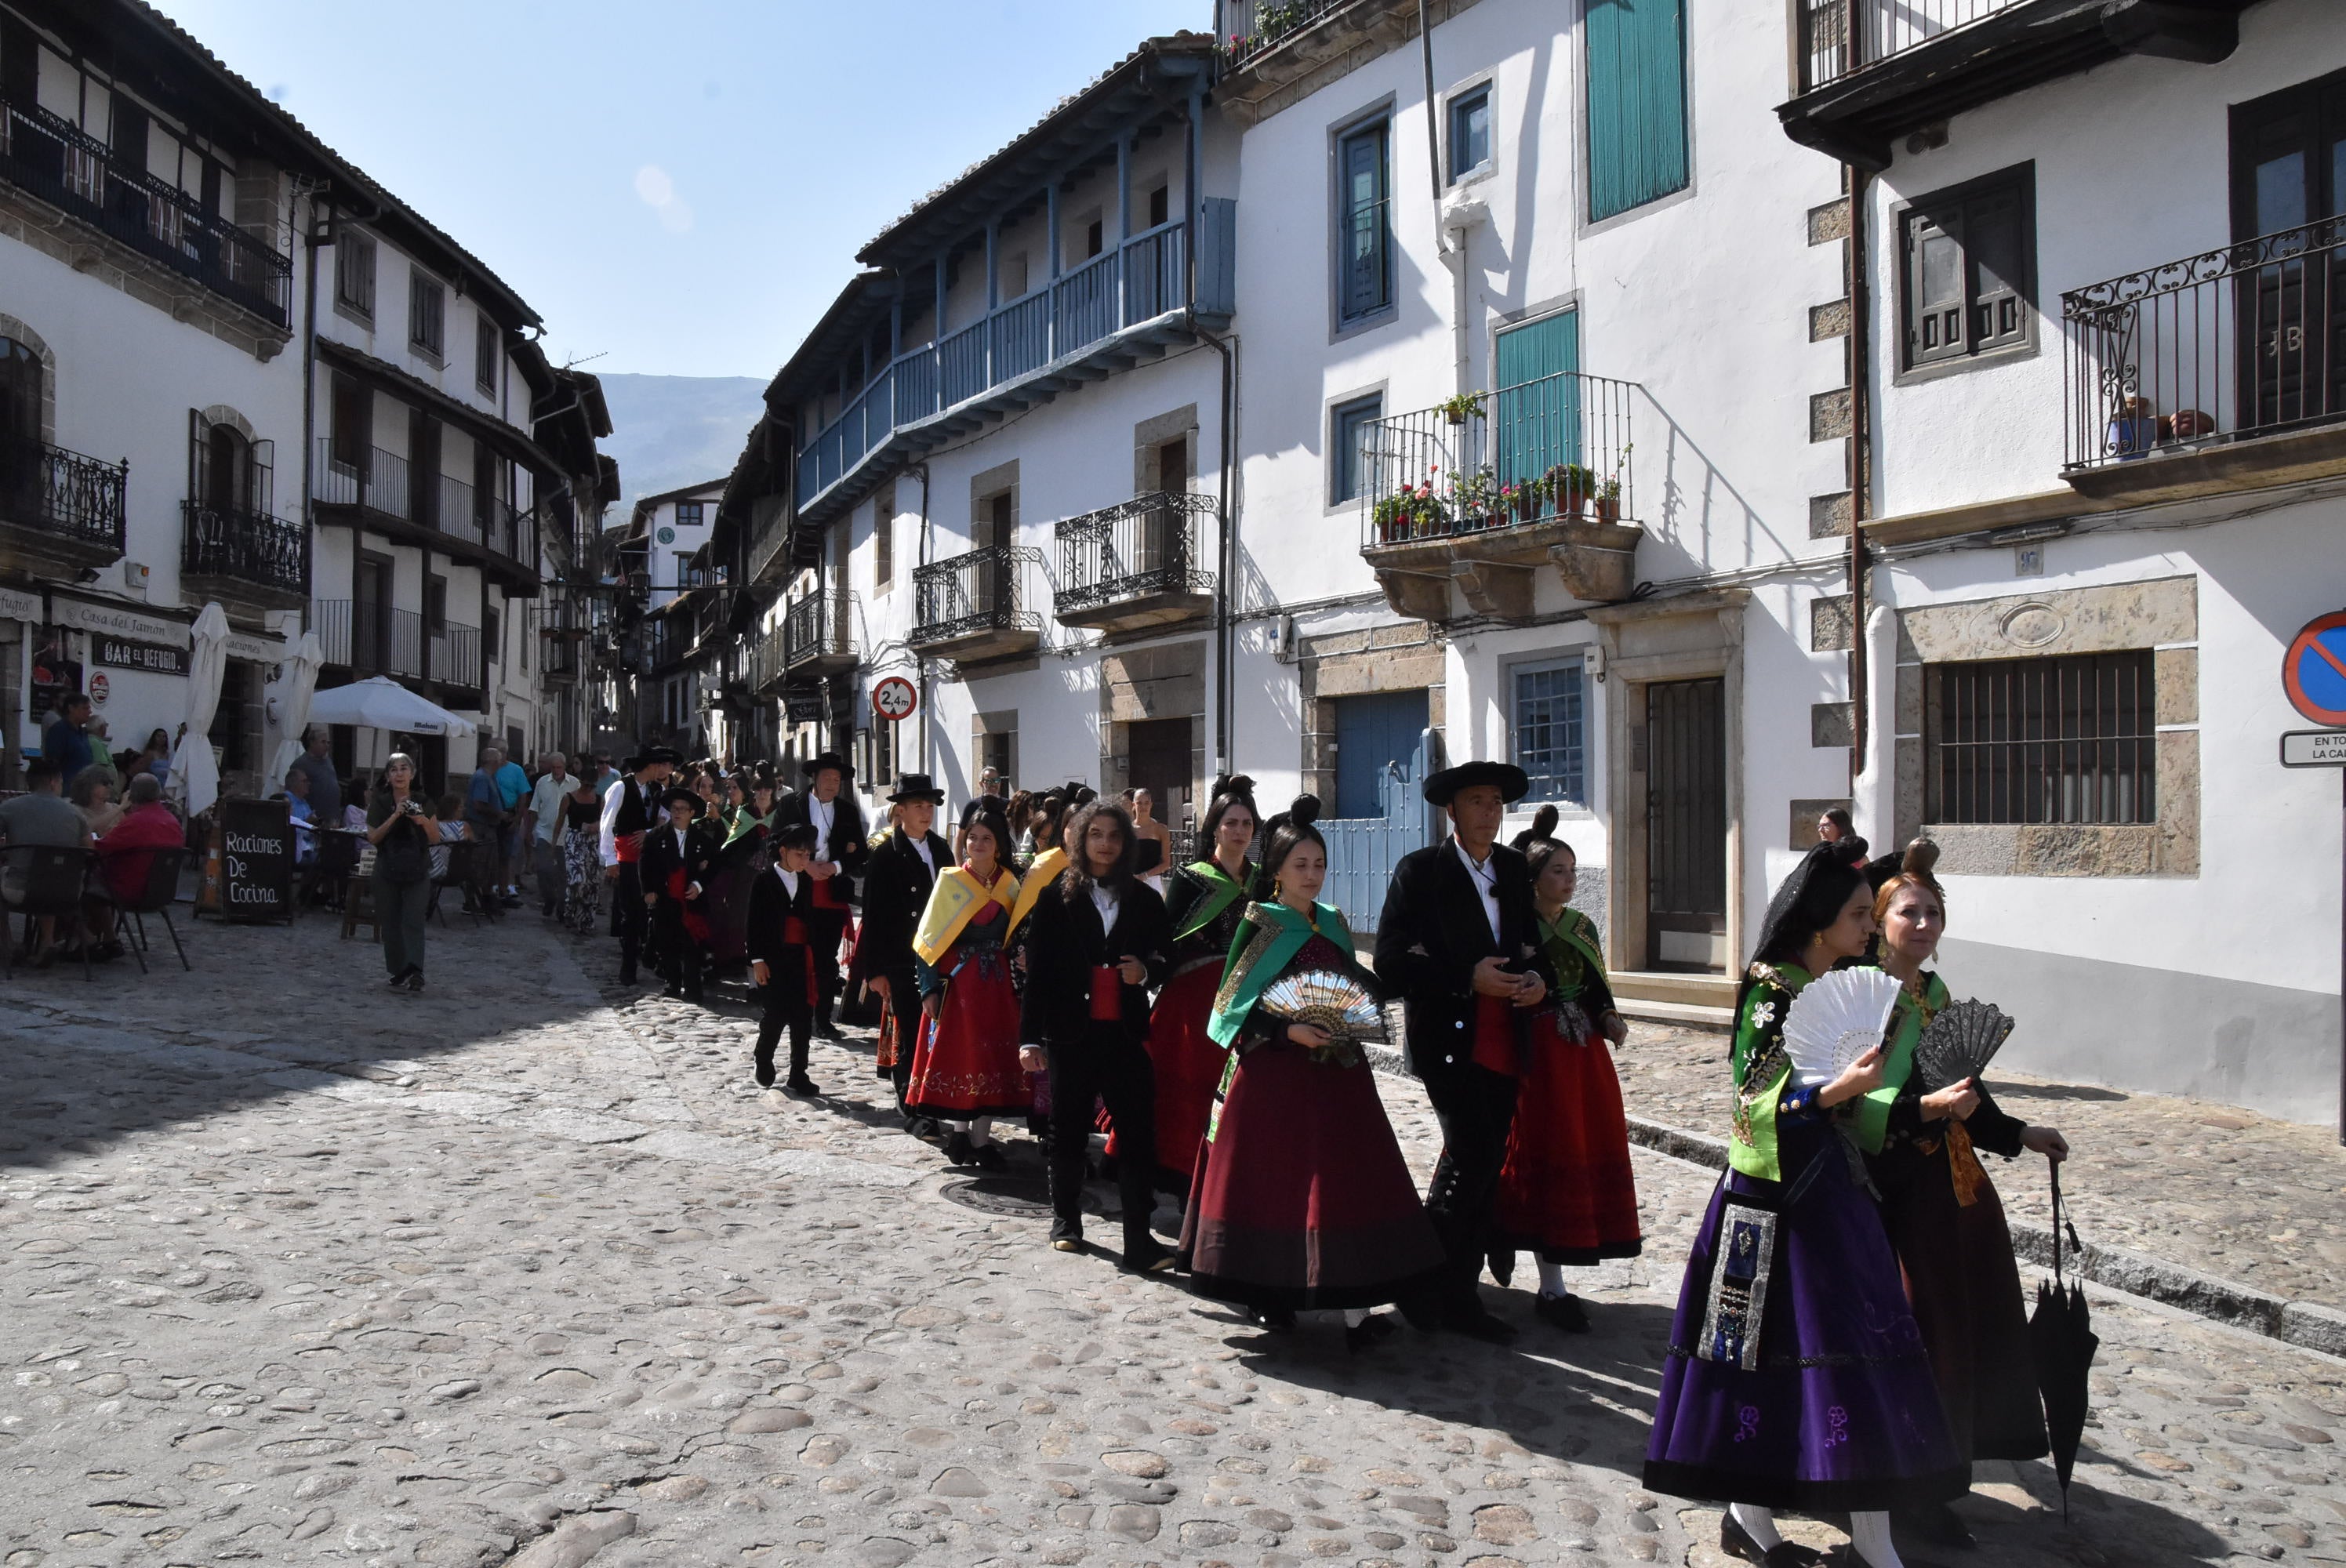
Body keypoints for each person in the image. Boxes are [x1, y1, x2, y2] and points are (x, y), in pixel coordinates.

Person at [1643, 840, 1964, 1568]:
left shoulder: (1839, 980)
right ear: (1820, 921)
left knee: (1856, 1354)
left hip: (1833, 1192)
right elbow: (1751, 1101)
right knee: (1756, 1357)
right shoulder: (1772, 991)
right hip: (1769, 1201)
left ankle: (1871, 1544)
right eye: (1858, 913)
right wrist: (1833, 1093)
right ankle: (1750, 1516)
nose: (1867, 925)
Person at [1861, 840, 2068, 1554]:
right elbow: (1862, 1105)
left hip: (1956, 1190)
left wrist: (2018, 1131)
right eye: (1907, 913)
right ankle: (1896, 1486)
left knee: (1961, 1335)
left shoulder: (1938, 996)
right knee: (1915, 1336)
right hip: (1890, 1191)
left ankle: (1939, 1482)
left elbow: (1965, 1096)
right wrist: (1922, 1109)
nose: (1922, 925)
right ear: (1879, 921)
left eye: (1932, 913)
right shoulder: (1863, 995)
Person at [1182, 796, 1444, 1348]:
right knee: (1275, 1188)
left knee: (1345, 1185)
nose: (1312, 875)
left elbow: (1352, 985)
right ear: (1275, 871)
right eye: (1300, 865)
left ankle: (1356, 1309)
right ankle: (1268, 1293)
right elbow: (1231, 1007)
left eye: (1319, 865)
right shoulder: (1262, 926)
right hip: (1275, 1079)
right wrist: (1286, 1032)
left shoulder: (1332, 923)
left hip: (1337, 1076)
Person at [1372, 760, 1549, 1344]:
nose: (1489, 812)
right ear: (1452, 811)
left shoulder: (1514, 870)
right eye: (1477, 801)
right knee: (1471, 1156)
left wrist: (1539, 982)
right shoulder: (1421, 872)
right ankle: (1446, 1291)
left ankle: (1435, 1282)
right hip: (1450, 1038)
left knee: (1479, 1163)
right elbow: (1391, 964)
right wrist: (1464, 978)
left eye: (1496, 801)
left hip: (1507, 1035)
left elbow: (1532, 949)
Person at [1017, 798, 1175, 1271]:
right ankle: (1066, 1221)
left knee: (1137, 1134)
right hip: (1071, 1033)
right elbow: (1038, 973)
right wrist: (1028, 1038)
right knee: (1066, 1130)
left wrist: (1145, 971)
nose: (1105, 845)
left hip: (1125, 1034)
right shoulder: (1056, 897)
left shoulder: (1145, 899)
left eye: (1114, 836)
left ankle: (1138, 1240)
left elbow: (1168, 955)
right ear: (1080, 840)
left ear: (1126, 843)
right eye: (1095, 835)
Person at [1490, 837, 1640, 1332]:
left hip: (1581, 1058)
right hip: (1535, 1057)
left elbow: (1597, 986)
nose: (1570, 879)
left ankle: (1556, 1279)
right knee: (1539, 1152)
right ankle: (1541, 1273)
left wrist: (1609, 1017)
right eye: (1559, 870)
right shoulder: (1513, 928)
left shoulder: (1582, 926)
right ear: (1534, 878)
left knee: (1581, 1147)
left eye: (1572, 869)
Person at [1121, 774, 1256, 1196]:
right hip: (1192, 1001)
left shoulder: (1261, 881)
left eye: (1247, 824)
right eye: (1230, 823)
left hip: (1244, 998)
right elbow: (1164, 936)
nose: (1238, 832)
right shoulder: (1193, 877)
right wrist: (1151, 971)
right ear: (1214, 827)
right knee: (1186, 1082)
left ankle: (1228, 1166)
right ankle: (1179, 1169)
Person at [906, 800, 1029, 1166]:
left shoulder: (1010, 884)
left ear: (998, 844)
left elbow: (1019, 933)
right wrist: (928, 988)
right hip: (960, 985)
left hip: (997, 986)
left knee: (991, 1059)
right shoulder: (952, 882)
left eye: (986, 839)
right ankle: (960, 1137)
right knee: (964, 1056)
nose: (977, 844)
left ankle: (981, 1139)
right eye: (973, 837)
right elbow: (927, 941)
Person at [859, 774, 953, 1127]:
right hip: (901, 957)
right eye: (918, 806)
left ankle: (933, 1093)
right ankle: (910, 1101)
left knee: (936, 1030)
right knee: (909, 1029)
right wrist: (875, 970)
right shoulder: (885, 855)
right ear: (900, 811)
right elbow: (874, 915)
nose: (926, 813)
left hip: (938, 955)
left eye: (929, 806)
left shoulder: (942, 848)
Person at [776, 752, 870, 1038]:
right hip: (796, 891)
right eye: (828, 777)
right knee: (795, 954)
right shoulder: (791, 805)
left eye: (838, 779)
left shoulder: (847, 810)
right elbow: (774, 843)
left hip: (830, 891)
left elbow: (861, 853)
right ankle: (795, 1012)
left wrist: (836, 865)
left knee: (826, 960)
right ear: (815, 778)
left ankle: (823, 1018)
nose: (833, 783)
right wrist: (805, 865)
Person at [747, 822, 823, 1094]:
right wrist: (757, 960)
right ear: (783, 852)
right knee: (776, 1014)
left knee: (803, 1017)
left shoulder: (805, 881)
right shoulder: (765, 880)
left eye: (808, 855)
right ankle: (763, 1057)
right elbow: (754, 923)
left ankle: (798, 1072)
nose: (805, 860)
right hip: (773, 958)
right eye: (799, 854)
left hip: (800, 958)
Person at [600, 746, 681, 985]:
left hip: (650, 855)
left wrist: (648, 833)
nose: (661, 769)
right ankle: (628, 965)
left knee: (654, 906)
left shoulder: (658, 790)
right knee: (630, 911)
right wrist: (610, 859)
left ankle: (653, 956)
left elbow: (664, 821)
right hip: (627, 856)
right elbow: (608, 823)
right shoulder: (621, 787)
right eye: (658, 765)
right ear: (648, 766)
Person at [1, 757, 93, 964]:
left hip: (22, 889)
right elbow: (90, 850)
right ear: (54, 782)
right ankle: (47, 942)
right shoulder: (75, 814)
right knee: (50, 872)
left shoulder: (9, 807)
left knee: (24, 876)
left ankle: (7, 943)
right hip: (68, 891)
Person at [365, 753, 439, 992]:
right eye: (394, 770)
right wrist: (395, 815)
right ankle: (398, 970)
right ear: (388, 776)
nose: (399, 774)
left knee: (413, 919)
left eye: (403, 769)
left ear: (412, 773)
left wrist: (422, 821)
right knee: (390, 920)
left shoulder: (424, 800)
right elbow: (373, 837)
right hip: (387, 868)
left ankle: (416, 969)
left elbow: (435, 837)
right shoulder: (380, 803)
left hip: (417, 868)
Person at [641, 786, 715, 1004]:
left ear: (692, 813)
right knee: (667, 943)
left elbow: (714, 866)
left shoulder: (702, 839)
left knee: (692, 945)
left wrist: (699, 884)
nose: (678, 813)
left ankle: (693, 987)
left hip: (691, 900)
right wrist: (649, 890)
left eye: (683, 809)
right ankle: (672, 984)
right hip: (666, 898)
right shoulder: (656, 837)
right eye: (675, 808)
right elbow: (645, 865)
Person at [96, 772, 183, 906]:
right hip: (161, 892)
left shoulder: (135, 822)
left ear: (131, 796)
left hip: (128, 889)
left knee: (87, 883)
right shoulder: (173, 822)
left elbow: (99, 848)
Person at [526, 752, 576, 917]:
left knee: (563, 873)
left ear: (564, 767)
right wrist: (529, 831)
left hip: (566, 833)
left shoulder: (575, 784)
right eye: (553, 767)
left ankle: (562, 906)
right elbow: (534, 808)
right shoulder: (542, 782)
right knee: (543, 869)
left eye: (559, 767)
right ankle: (549, 898)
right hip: (544, 831)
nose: (556, 771)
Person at [560, 770, 605, 938]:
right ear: (581, 781)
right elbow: (560, 821)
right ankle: (570, 909)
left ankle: (586, 920)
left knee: (591, 883)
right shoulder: (568, 798)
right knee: (577, 878)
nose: (588, 789)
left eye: (592, 786)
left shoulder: (599, 800)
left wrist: (597, 826)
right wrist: (553, 844)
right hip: (574, 839)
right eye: (586, 785)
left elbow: (606, 821)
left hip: (592, 842)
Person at [494, 748, 530, 904]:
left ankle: (508, 885)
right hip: (491, 817)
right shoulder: (487, 769)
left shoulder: (516, 770)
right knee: (493, 854)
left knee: (509, 854)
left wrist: (517, 819)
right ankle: (495, 885)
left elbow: (523, 794)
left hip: (509, 815)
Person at [290, 728, 342, 823]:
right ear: (312, 743)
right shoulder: (301, 764)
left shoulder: (328, 761)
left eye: (328, 742)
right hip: (315, 819)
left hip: (333, 817)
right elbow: (295, 791)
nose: (327, 746)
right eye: (323, 742)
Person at [41, 694, 94, 785]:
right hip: (66, 787)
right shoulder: (59, 731)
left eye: (89, 708)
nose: (89, 712)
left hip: (83, 787)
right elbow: (52, 762)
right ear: (71, 708)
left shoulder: (83, 732)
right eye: (85, 708)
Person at [1126, 787, 1171, 887]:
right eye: (1139, 803)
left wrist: (1144, 876)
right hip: (1130, 881)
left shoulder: (1161, 829)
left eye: (1146, 803)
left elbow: (1166, 863)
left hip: (1153, 882)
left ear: (1151, 805)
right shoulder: (1127, 830)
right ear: (1134, 805)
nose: (1143, 807)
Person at [69, 766, 123, 840]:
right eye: (105, 783)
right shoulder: (75, 810)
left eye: (111, 782)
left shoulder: (116, 808)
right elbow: (84, 829)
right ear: (89, 785)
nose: (109, 786)